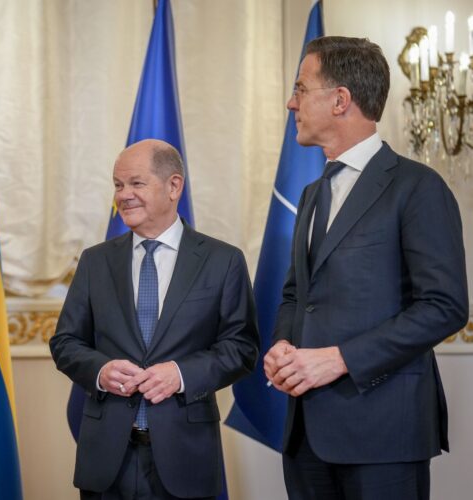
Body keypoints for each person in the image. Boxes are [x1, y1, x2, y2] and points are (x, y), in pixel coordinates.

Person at [264, 36, 468, 500]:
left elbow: (445, 306)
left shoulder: (418, 188)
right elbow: (297, 295)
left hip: (384, 432)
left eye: (301, 88)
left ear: (340, 100)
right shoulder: (312, 194)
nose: (290, 102)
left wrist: (339, 359)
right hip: (305, 434)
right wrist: (281, 345)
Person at [50, 139, 260, 499]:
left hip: (186, 456)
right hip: (106, 460)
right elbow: (65, 342)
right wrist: (101, 371)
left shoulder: (222, 261)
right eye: (118, 185)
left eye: (136, 183)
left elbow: (241, 348)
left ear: (174, 186)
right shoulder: (95, 261)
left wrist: (180, 375)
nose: (124, 195)